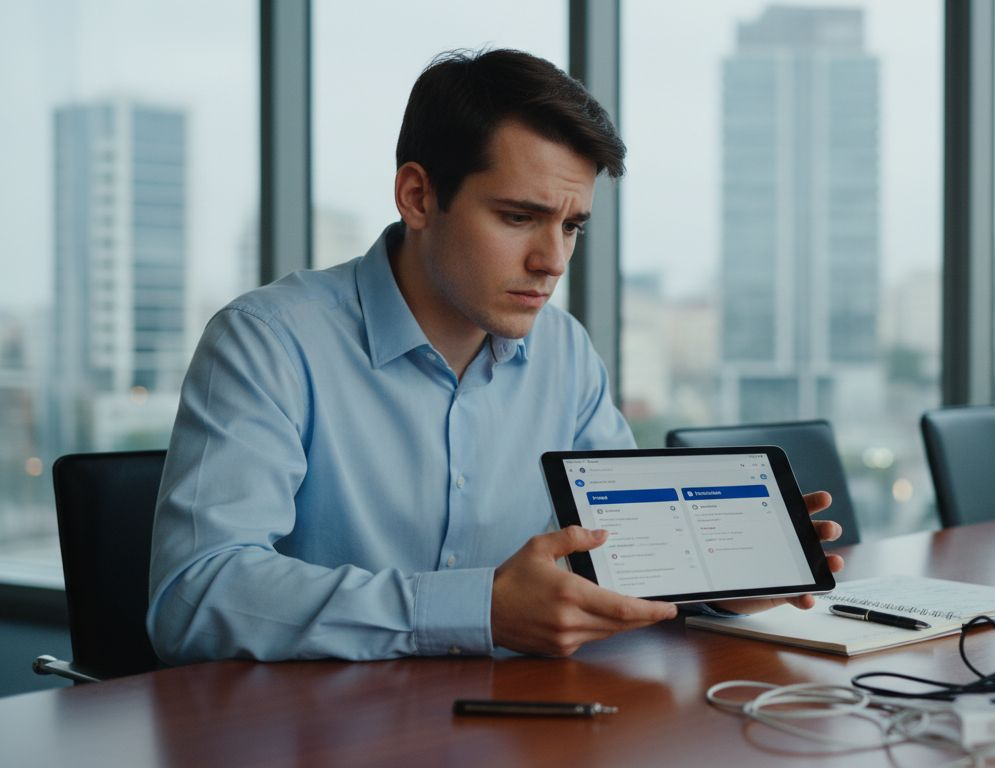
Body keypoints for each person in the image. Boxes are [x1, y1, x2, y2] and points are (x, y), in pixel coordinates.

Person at [147, 48, 842, 663]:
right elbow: (196, 594)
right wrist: (473, 610)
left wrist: (717, 582)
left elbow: (618, 550)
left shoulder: (564, 352)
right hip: (323, 734)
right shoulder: (268, 341)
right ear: (418, 196)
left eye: (572, 226)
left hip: (522, 727)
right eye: (518, 218)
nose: (552, 261)